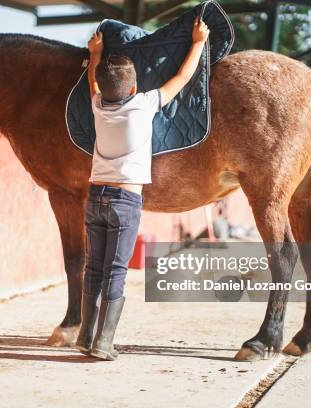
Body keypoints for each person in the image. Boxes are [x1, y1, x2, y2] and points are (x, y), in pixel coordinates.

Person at [75, 17, 210, 361]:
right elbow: (181, 79)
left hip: (96, 198)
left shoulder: (98, 106)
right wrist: (197, 43)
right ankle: (104, 343)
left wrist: (95, 54)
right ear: (134, 89)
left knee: (94, 268)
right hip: (125, 201)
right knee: (116, 269)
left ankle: (85, 335)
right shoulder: (143, 105)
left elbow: (93, 79)